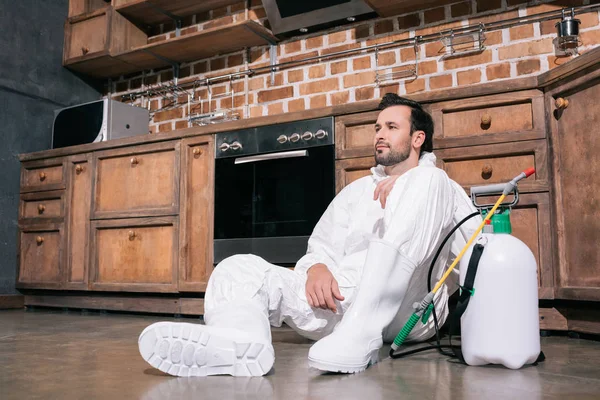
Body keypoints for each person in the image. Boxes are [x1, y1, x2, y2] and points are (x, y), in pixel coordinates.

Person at [137, 93, 480, 377]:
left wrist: (410, 185)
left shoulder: (440, 186)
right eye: (377, 127)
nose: (379, 134)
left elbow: (478, 252)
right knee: (235, 268)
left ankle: (361, 334)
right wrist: (316, 268)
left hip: (408, 310)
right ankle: (237, 343)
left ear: (418, 138)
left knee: (427, 180)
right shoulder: (356, 192)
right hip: (338, 304)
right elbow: (322, 247)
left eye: (391, 127)